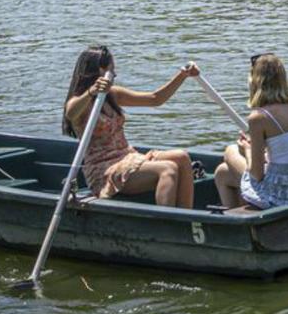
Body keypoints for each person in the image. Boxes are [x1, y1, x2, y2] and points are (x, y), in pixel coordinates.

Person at [63, 45, 199, 207]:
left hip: (128, 158)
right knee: (167, 169)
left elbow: (155, 99)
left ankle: (188, 220)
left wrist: (183, 75)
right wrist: (91, 92)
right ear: (98, 72)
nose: (114, 75)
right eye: (111, 71)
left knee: (182, 157)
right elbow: (71, 113)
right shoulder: (79, 102)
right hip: (104, 170)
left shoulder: (112, 94)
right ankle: (167, 225)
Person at [213, 53, 288, 212]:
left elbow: (257, 174)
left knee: (230, 151)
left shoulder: (258, 117)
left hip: (281, 194)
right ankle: (237, 221)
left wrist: (248, 149)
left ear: (256, 82)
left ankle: (241, 226)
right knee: (222, 173)